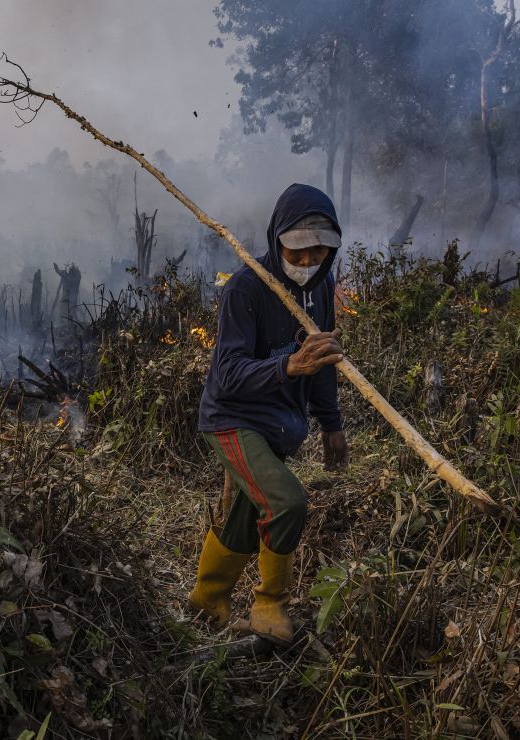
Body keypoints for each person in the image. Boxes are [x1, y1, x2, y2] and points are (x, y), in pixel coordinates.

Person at [189, 183, 349, 644]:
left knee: (247, 509)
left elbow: (320, 364)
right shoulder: (247, 289)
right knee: (286, 502)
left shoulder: (322, 287)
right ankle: (269, 604)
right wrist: (288, 365)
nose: (305, 263)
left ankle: (207, 600)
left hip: (279, 427)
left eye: (317, 253)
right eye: (296, 252)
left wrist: (332, 426)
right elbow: (228, 376)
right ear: (276, 238)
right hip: (233, 420)